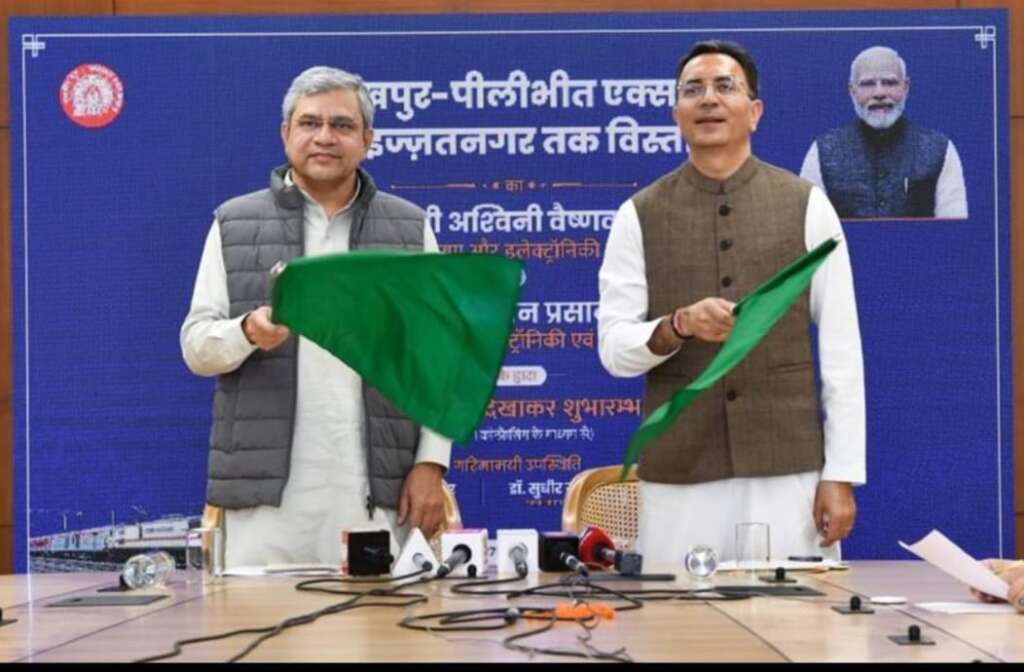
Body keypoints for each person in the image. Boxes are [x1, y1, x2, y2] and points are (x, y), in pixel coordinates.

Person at [598, 40, 866, 565]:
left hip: (787, 472)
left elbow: (842, 352)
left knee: (796, 616)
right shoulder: (638, 214)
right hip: (680, 474)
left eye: (725, 87)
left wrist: (840, 474)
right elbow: (614, 350)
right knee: (677, 616)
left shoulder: (807, 205)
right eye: (693, 90)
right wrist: (677, 324)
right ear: (676, 114)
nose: (708, 100)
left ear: (755, 111)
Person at [180, 66, 450, 568]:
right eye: (310, 123)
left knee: (378, 621)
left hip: (376, 495)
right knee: (259, 620)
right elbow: (196, 346)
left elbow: (436, 363)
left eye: (342, 125)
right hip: (265, 508)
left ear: (367, 140)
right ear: (286, 134)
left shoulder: (409, 230)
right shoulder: (235, 223)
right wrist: (247, 332)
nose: (325, 137)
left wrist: (431, 464)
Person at [800, 46, 968, 219]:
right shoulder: (822, 151)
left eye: (889, 83)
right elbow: (808, 227)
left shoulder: (940, 149)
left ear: (906, 87)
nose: (879, 93)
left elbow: (955, 228)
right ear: (852, 91)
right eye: (867, 84)